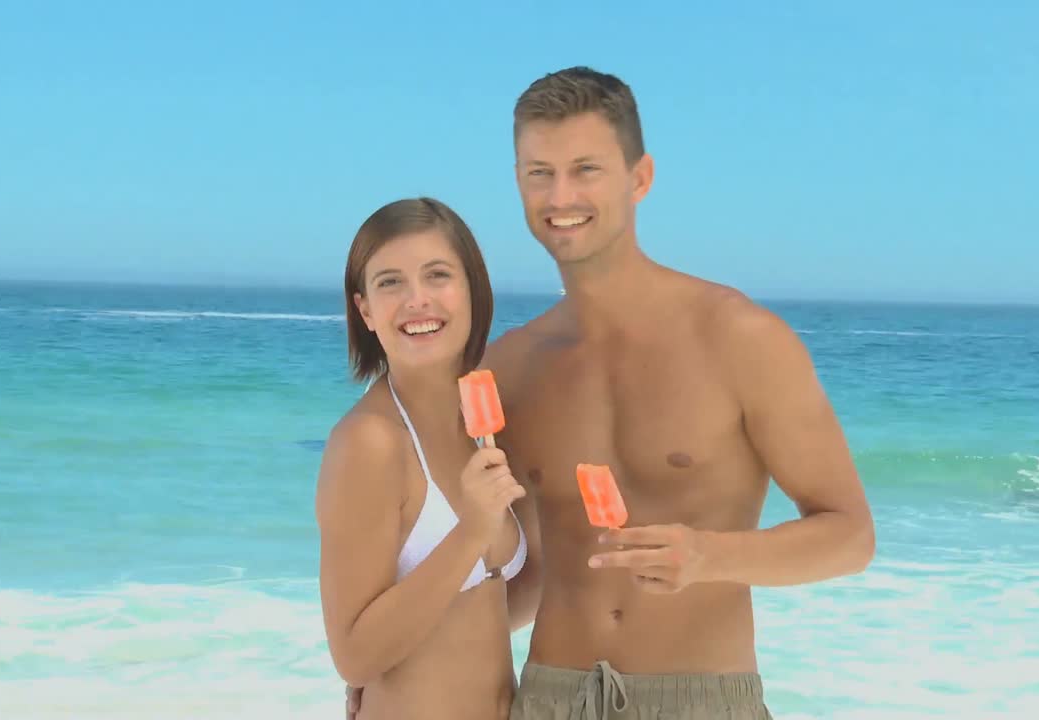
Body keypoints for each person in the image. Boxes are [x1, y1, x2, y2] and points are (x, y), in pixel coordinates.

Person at [350, 66, 876, 720]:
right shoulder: (510, 367)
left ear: (640, 177)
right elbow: (518, 567)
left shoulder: (739, 338)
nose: (560, 194)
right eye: (539, 172)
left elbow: (851, 536)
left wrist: (710, 556)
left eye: (586, 169)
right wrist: (407, 665)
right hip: (549, 695)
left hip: (698, 698)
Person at [316, 197, 533, 720]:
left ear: (473, 292)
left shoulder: (491, 426)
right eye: (390, 282)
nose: (417, 300)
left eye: (437, 275)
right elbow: (355, 657)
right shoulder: (369, 443)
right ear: (365, 309)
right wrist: (472, 531)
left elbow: (494, 602)